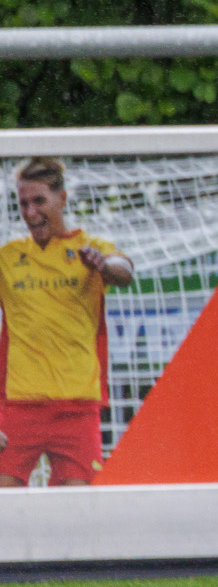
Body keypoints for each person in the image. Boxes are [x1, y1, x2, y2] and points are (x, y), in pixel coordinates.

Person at [0, 158, 133, 487]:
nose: (30, 212)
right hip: (19, 404)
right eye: (24, 204)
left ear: (62, 198)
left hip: (77, 405)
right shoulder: (8, 258)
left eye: (39, 201)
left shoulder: (90, 249)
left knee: (79, 507)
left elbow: (124, 271)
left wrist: (104, 266)